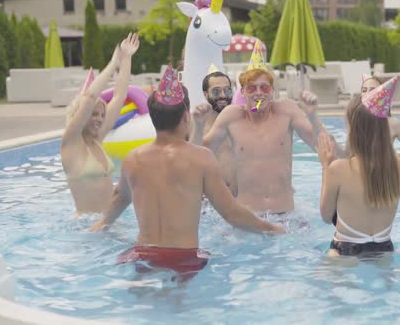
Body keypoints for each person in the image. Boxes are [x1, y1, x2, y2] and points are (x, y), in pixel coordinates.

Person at [90, 66, 283, 281]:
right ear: (185, 117)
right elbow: (231, 213)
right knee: (180, 308)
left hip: (141, 254)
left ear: (152, 118)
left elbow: (119, 198)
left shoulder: (132, 159)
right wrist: (270, 228)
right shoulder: (200, 158)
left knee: (143, 300)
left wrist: (102, 223)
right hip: (184, 258)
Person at [192, 68, 324, 214]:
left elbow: (322, 146)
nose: (259, 92)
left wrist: (313, 116)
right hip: (248, 216)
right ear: (242, 92)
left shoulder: (287, 111)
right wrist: (198, 126)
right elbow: (197, 155)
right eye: (251, 88)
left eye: (265, 87)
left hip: (286, 215)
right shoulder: (232, 116)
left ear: (272, 90)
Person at [317, 78, 400, 257]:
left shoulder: (338, 168)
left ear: (354, 130)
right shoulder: (398, 164)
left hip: (345, 250)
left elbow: (326, 217)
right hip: (385, 249)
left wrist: (326, 167)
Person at [61, 33, 140, 214]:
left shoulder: (97, 138)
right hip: (86, 230)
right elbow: (89, 98)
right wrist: (113, 64)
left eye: (101, 115)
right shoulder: (71, 142)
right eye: (93, 114)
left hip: (109, 222)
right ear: (81, 114)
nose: (99, 119)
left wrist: (126, 58)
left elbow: (120, 95)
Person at [191, 71, 237, 196]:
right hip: (210, 206)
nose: (223, 95)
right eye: (216, 91)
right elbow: (190, 159)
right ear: (205, 94)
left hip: (240, 202)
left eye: (227, 90)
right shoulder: (195, 124)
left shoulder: (240, 120)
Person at [361, 76, 400, 164]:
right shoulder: (355, 121)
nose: (367, 93)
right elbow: (348, 155)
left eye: (372, 90)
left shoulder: (393, 124)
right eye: (364, 90)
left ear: (382, 95)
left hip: (384, 173)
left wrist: (394, 156)